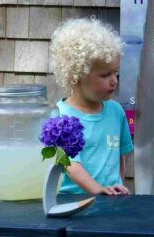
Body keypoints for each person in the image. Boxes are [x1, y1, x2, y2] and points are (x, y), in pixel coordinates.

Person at [50, 18, 134, 195]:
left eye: (116, 73)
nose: (114, 81)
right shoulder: (59, 117)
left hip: (110, 202)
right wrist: (99, 190)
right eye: (105, 75)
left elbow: (120, 158)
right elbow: (69, 164)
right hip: (72, 205)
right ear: (76, 75)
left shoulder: (116, 112)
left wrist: (116, 188)